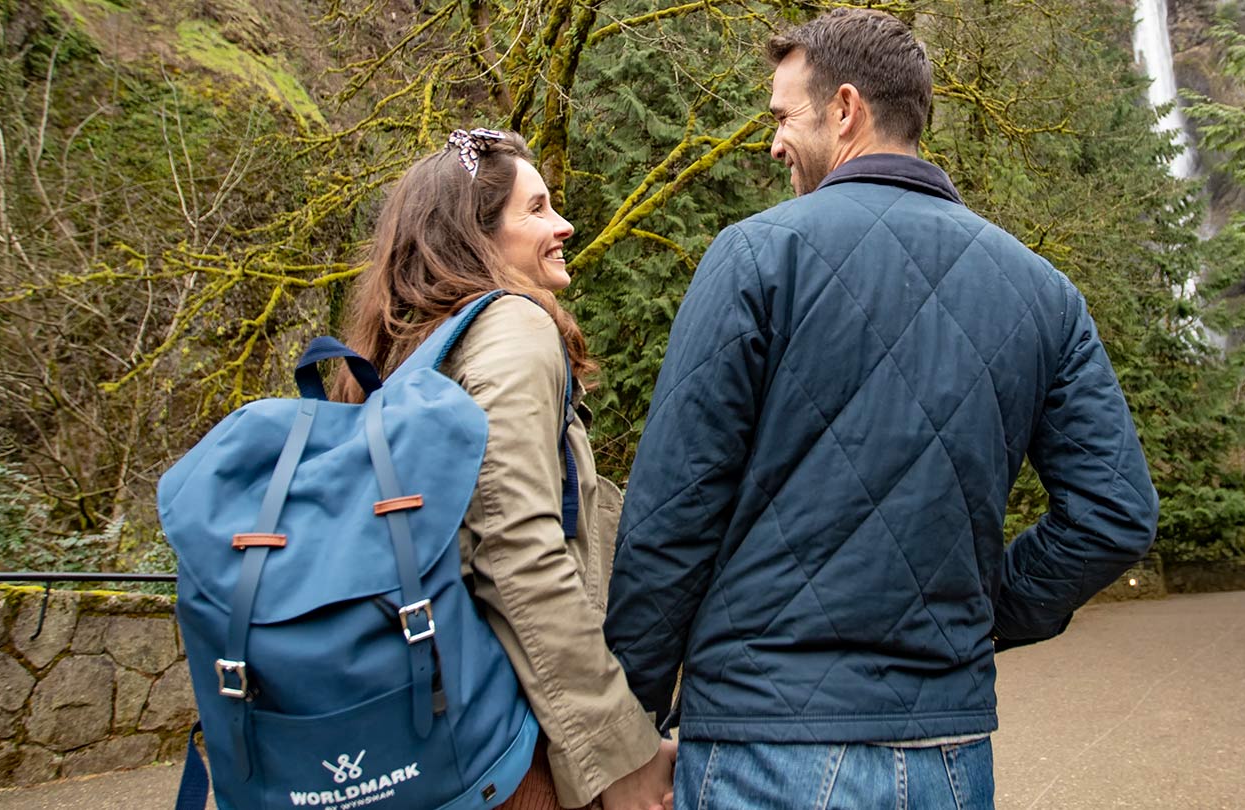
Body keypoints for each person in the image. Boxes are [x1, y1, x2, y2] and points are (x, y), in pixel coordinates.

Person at [603, 10, 1159, 809]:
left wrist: (627, 734)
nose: (772, 142)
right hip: (949, 757)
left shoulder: (757, 256)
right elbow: (1115, 514)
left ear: (845, 109)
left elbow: (671, 519)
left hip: (767, 749)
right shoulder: (1045, 293)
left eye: (782, 117)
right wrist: (983, 612)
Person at [333, 129, 672, 810]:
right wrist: (618, 755)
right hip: (509, 748)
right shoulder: (515, 327)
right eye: (537, 209)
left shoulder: (403, 356)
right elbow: (517, 550)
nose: (563, 224)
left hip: (423, 728)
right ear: (476, 236)